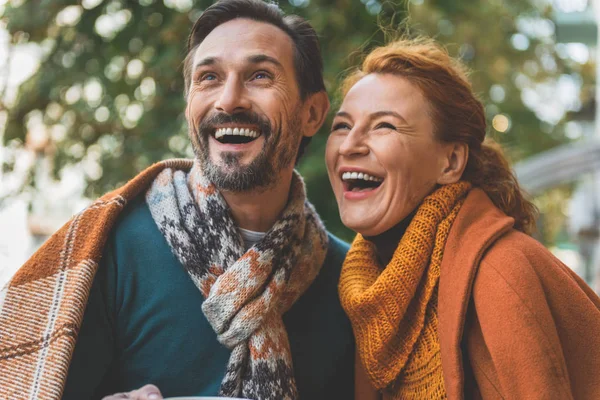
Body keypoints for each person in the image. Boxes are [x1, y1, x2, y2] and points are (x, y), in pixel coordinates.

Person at [0, 1, 355, 399]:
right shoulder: (106, 249)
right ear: (189, 105)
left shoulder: (351, 281)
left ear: (313, 112)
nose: (228, 100)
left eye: (259, 75)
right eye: (209, 77)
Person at [325, 37, 600, 399]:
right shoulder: (367, 282)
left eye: (384, 126)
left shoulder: (501, 272)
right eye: (342, 126)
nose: (349, 145)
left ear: (451, 162)